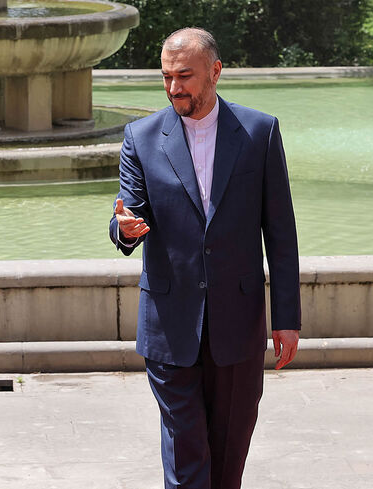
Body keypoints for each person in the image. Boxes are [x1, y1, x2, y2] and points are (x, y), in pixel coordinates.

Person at [109, 28, 301, 488]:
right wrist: (124, 228)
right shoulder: (141, 135)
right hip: (169, 325)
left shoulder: (260, 131)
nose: (175, 87)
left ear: (215, 72)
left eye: (185, 76)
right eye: (167, 77)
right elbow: (127, 211)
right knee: (187, 457)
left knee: (229, 455)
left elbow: (280, 232)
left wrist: (287, 317)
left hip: (238, 322)